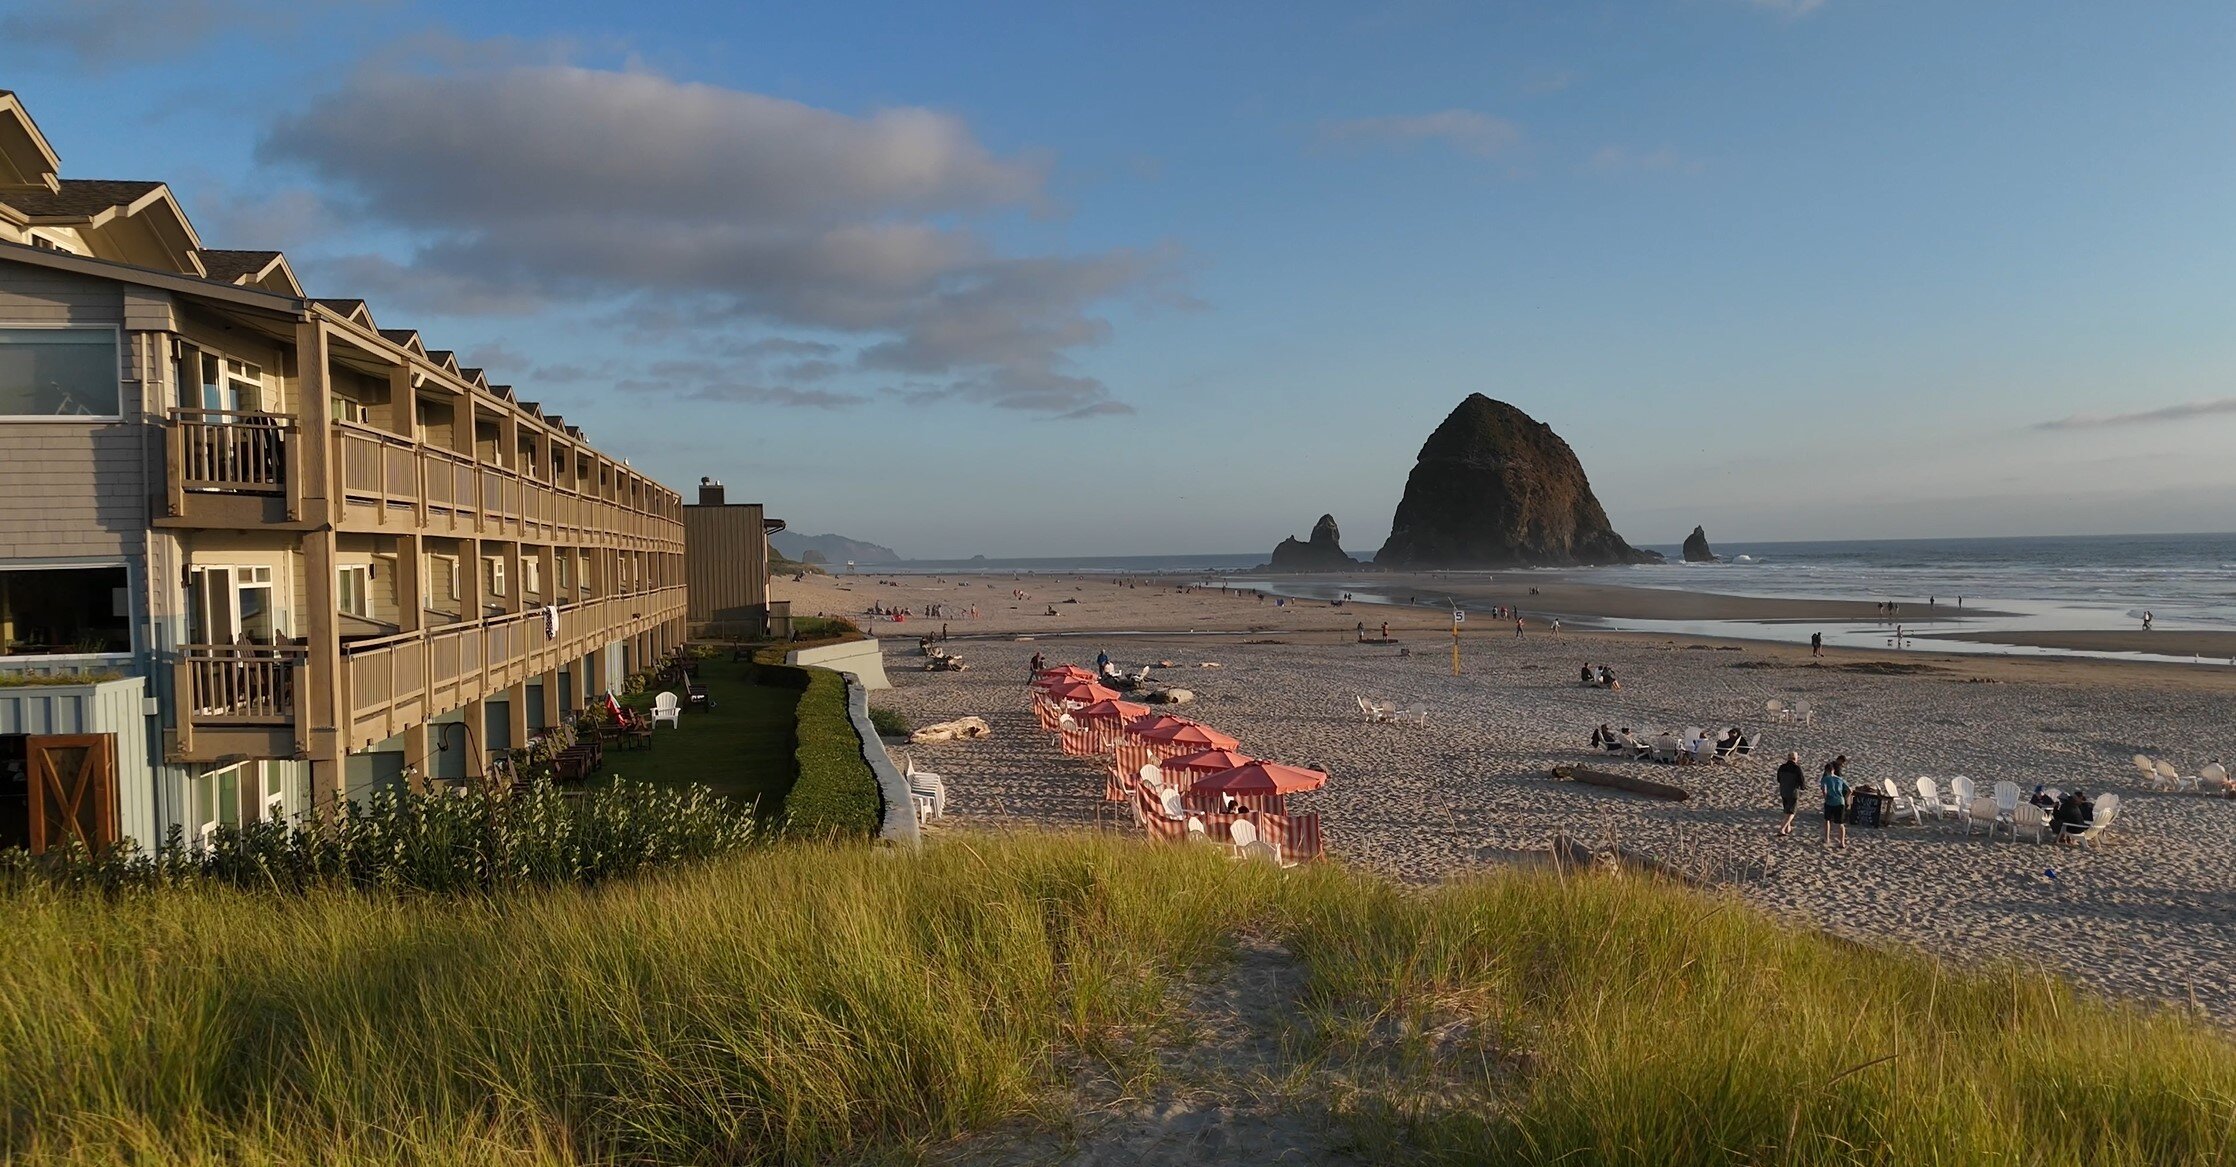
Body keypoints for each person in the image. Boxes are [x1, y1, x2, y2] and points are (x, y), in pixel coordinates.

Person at [1820, 760, 1851, 849]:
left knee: (1827, 820)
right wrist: (1844, 798)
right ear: (1833, 770)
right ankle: (1842, 842)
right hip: (1840, 802)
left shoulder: (1825, 779)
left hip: (1830, 801)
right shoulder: (1839, 779)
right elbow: (1849, 790)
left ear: (1826, 771)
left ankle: (1827, 838)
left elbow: (1824, 790)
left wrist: (1825, 797)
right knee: (1840, 823)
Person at [1775, 752, 1806, 836]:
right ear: (1795, 759)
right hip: (1792, 792)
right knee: (1792, 812)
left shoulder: (1782, 767)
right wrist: (1802, 787)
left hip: (1783, 791)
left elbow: (1778, 779)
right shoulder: (1796, 768)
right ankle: (1782, 829)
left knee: (1786, 809)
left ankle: (1788, 828)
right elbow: (1801, 781)